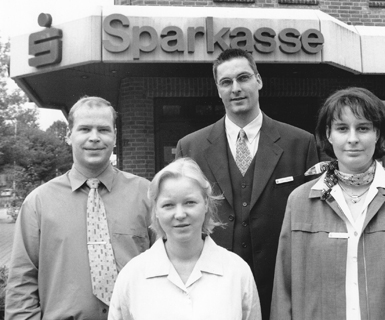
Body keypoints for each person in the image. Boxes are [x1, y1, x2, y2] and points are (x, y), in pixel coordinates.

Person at [271, 87, 385, 320]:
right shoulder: (301, 201)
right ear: (329, 135)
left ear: (378, 134)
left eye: (363, 128)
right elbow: (283, 292)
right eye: (342, 128)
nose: (352, 139)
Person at [175, 48, 319, 319]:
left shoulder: (300, 143)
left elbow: (315, 222)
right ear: (218, 89)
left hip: (280, 290)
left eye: (243, 78)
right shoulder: (190, 148)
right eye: (226, 82)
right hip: (211, 291)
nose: (236, 88)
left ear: (259, 80)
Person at [5, 97, 152, 319]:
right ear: (68, 136)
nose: (94, 138)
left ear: (114, 137)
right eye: (84, 129)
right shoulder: (38, 203)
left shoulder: (147, 195)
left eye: (103, 129)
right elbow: (21, 283)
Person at [109, 157, 261, 320]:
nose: (180, 214)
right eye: (168, 205)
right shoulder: (132, 276)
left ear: (206, 204)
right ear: (156, 211)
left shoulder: (237, 271)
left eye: (190, 202)